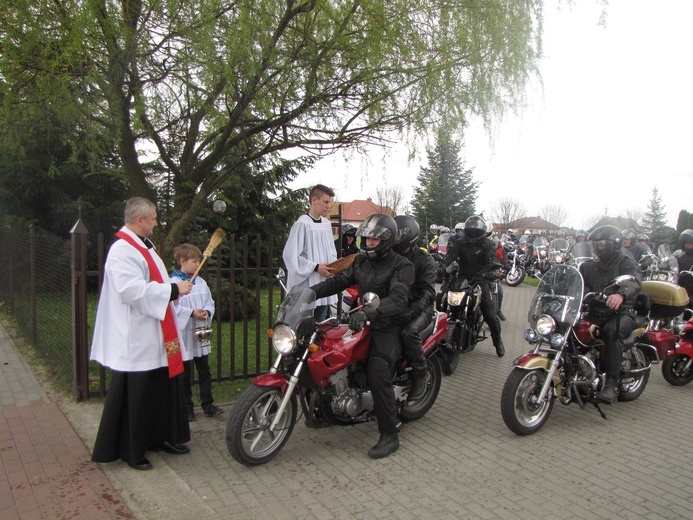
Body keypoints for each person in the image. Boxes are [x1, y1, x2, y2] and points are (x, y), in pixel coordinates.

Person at [90, 197, 193, 471]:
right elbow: (131, 291)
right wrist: (172, 290)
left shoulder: (144, 247)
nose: (157, 223)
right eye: (154, 218)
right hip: (136, 337)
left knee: (161, 387)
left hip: (157, 334)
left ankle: (160, 437)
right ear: (140, 221)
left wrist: (174, 287)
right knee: (139, 394)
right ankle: (131, 450)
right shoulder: (122, 250)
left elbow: (154, 283)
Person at [311, 213, 415, 459]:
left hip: (389, 325)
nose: (368, 243)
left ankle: (390, 434)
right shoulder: (360, 262)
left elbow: (399, 299)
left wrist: (370, 312)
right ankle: (325, 411)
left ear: (387, 240)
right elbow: (339, 282)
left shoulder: (403, 265)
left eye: (373, 240)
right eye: (366, 239)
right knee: (326, 352)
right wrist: (308, 293)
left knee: (377, 370)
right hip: (363, 320)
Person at [579, 225, 642, 404]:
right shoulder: (589, 266)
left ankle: (612, 385)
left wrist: (621, 294)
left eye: (602, 244)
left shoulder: (626, 262)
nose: (598, 247)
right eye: (596, 244)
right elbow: (578, 283)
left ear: (613, 245)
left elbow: (635, 281)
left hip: (621, 313)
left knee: (610, 332)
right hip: (595, 312)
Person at [170, 244, 223, 421]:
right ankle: (187, 407)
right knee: (185, 373)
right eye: (194, 261)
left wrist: (206, 312)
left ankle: (208, 404)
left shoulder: (201, 283)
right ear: (182, 261)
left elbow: (210, 301)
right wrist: (191, 313)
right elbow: (171, 308)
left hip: (200, 333)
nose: (197, 264)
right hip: (184, 334)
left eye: (199, 261)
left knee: (204, 370)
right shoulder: (173, 284)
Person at [441, 215, 505, 357]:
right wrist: (442, 266)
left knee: (489, 311)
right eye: (471, 231)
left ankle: (497, 341)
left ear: (481, 232)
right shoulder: (460, 242)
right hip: (463, 278)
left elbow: (493, 258)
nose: (474, 234)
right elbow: (450, 256)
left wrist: (492, 271)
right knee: (444, 298)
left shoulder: (487, 244)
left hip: (482, 278)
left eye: (476, 231)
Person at [393, 215, 437, 399]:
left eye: (398, 235)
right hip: (396, 304)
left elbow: (428, 292)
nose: (395, 238)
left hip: (421, 307)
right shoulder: (391, 256)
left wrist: (414, 309)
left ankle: (420, 373)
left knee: (408, 332)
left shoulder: (424, 259)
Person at [282, 184, 338, 321]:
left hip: (324, 282)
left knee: (320, 325)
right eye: (325, 202)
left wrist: (333, 267)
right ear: (314, 200)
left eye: (329, 202)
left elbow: (331, 251)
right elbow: (291, 255)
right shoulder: (302, 224)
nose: (328, 206)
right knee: (304, 327)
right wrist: (316, 266)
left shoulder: (326, 224)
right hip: (307, 284)